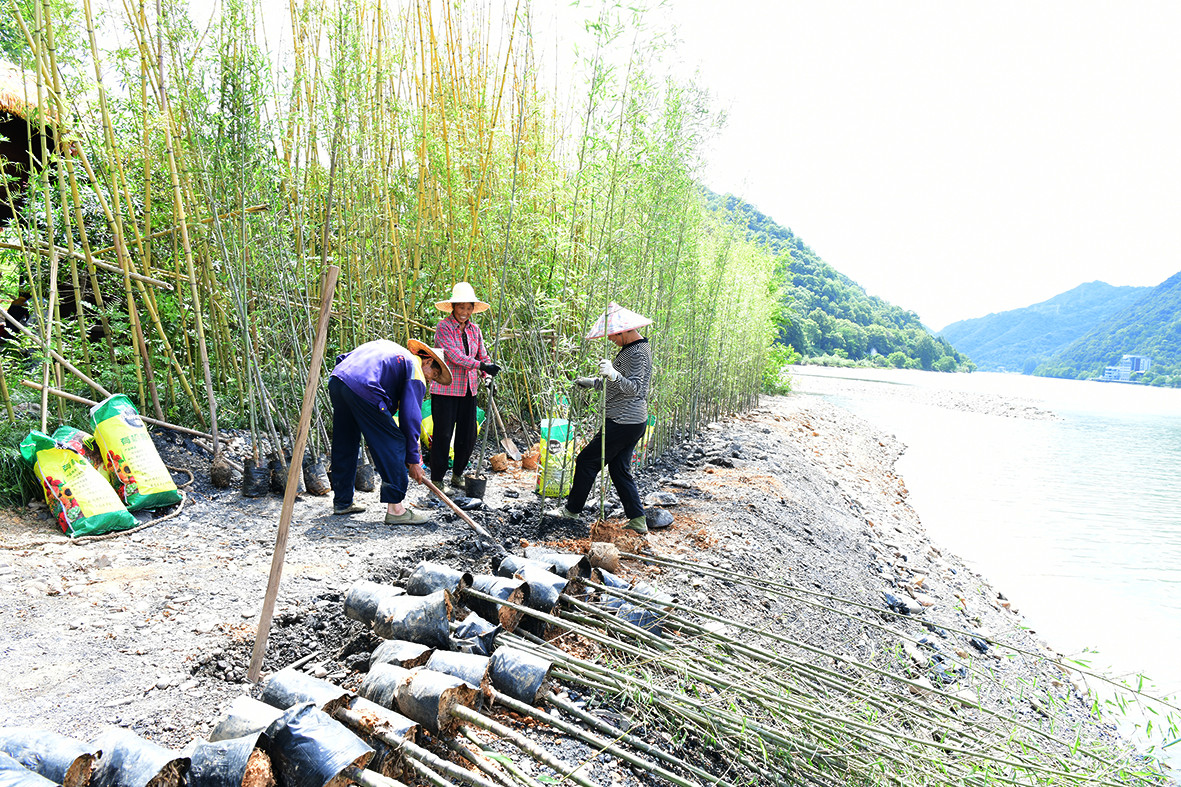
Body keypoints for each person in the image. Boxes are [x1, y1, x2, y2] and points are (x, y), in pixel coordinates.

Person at [546, 302, 653, 534]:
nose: (611, 339)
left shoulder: (637, 352)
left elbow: (635, 388)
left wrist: (613, 374)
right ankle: (638, 519)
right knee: (619, 469)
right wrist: (594, 382)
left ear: (626, 330)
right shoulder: (634, 348)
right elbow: (618, 385)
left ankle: (572, 511)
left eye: (613, 334)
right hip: (632, 421)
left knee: (587, 461)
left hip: (623, 421)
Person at [328, 338, 451, 524]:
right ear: (427, 361)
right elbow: (410, 418)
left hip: (339, 379)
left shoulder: (394, 353)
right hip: (364, 386)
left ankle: (342, 501)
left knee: (346, 440)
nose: (430, 381)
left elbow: (344, 359)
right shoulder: (415, 368)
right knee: (394, 442)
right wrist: (413, 460)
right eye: (433, 375)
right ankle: (396, 510)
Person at [429, 282, 500, 490]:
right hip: (446, 389)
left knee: (467, 435)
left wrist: (487, 376)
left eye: (469, 308)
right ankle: (437, 479)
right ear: (453, 307)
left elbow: (482, 355)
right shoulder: (443, 327)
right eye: (461, 307)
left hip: (469, 390)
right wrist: (481, 366)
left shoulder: (474, 330)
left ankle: (457, 474)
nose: (465, 312)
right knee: (443, 435)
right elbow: (454, 355)